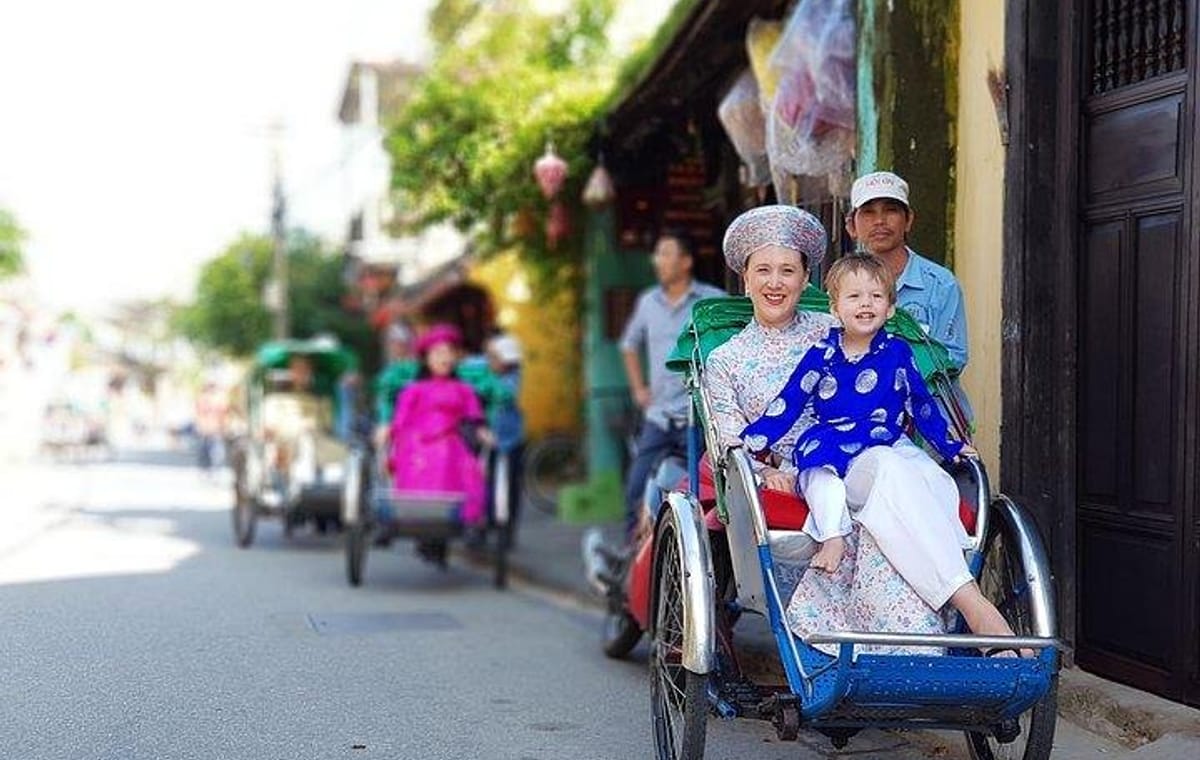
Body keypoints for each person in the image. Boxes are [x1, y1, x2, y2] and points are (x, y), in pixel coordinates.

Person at [706, 204, 1018, 655]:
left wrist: (951, 445)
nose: (776, 283)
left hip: (872, 457)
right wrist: (767, 468)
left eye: (788, 271)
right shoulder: (726, 360)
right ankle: (970, 602)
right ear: (746, 279)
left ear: (806, 280)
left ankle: (939, 619)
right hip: (804, 473)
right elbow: (740, 439)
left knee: (909, 471)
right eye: (765, 271)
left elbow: (911, 392)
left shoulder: (836, 326)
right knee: (894, 470)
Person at [741, 253, 977, 575]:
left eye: (876, 296)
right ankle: (833, 536)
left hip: (885, 440)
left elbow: (920, 403)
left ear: (890, 307)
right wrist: (754, 441)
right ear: (835, 309)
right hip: (831, 439)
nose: (866, 304)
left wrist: (949, 444)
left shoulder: (897, 351)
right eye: (854, 297)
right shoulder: (821, 354)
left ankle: (951, 542)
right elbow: (790, 401)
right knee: (818, 476)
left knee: (932, 477)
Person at [619, 228, 725, 539]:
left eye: (666, 253)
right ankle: (630, 561)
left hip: (699, 419)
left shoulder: (710, 301)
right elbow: (628, 344)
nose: (658, 261)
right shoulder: (648, 302)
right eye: (658, 254)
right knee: (636, 488)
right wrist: (639, 388)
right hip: (659, 416)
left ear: (686, 262)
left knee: (704, 495)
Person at [389, 323, 493, 562]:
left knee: (456, 460)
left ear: (456, 358)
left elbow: (475, 418)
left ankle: (463, 521)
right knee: (426, 457)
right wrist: (390, 434)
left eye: (449, 353)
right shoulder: (413, 390)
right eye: (438, 353)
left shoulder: (464, 390)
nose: (444, 359)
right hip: (416, 442)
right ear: (427, 359)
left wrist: (482, 431)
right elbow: (400, 422)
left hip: (450, 440)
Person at [845, 170, 968, 370]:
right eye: (868, 212)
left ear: (908, 220)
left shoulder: (940, 284)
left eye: (891, 210)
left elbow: (952, 358)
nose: (879, 221)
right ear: (851, 226)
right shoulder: (840, 287)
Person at [482, 332, 525, 542]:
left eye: (495, 358)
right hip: (489, 439)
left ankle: (507, 528)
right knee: (487, 481)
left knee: (510, 485)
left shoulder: (511, 379)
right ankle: (487, 521)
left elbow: (505, 394)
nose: (491, 362)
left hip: (511, 440)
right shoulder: (487, 373)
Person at [372, 322, 420, 451]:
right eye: (392, 343)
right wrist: (384, 422)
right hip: (396, 424)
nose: (394, 347)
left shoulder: (418, 367)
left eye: (398, 343)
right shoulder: (389, 371)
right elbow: (385, 399)